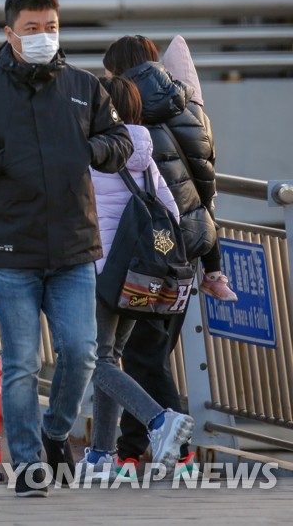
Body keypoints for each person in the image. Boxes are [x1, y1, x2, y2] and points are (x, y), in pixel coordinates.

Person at [0, 0, 133, 497]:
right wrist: (2, 161)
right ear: (10, 33)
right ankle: (27, 465)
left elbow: (117, 141)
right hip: (10, 251)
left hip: (72, 246)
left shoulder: (85, 86)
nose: (43, 36)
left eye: (50, 27)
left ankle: (52, 432)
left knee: (82, 352)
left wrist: (90, 151)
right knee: (20, 364)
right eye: (32, 29)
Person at [101, 34, 233, 479]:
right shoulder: (192, 109)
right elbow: (206, 192)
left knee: (141, 357)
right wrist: (212, 262)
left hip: (144, 253)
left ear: (119, 72)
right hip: (187, 250)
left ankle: (176, 449)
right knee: (149, 353)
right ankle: (131, 450)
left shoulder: (127, 115)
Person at [75, 76, 195, 480]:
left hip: (98, 269)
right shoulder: (145, 152)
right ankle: (100, 456)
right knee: (110, 357)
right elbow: (172, 215)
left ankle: (159, 421)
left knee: (95, 360)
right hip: (137, 277)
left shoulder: (92, 152)